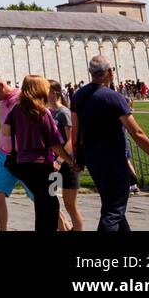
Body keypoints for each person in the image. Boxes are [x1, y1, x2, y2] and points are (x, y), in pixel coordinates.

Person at [69, 55, 149, 231]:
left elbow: (75, 130)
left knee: (112, 204)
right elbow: (136, 132)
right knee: (113, 211)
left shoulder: (78, 96)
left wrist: (77, 156)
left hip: (92, 159)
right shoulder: (113, 97)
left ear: (90, 72)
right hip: (113, 160)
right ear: (109, 72)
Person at [0, 76, 75, 232]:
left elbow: (6, 131)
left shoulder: (16, 110)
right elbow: (55, 144)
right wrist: (70, 161)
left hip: (23, 164)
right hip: (42, 165)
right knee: (50, 205)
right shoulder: (43, 112)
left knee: (42, 204)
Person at [0, 73, 32, 231]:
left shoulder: (21, 98)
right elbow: (1, 124)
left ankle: (63, 226)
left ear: (1, 86)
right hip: (4, 154)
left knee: (40, 198)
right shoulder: (2, 101)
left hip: (23, 156)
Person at [47, 80, 83, 229]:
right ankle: (63, 228)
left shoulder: (64, 113)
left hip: (67, 164)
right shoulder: (47, 112)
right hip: (51, 164)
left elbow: (70, 140)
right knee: (51, 200)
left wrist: (60, 160)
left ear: (54, 93)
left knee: (70, 205)